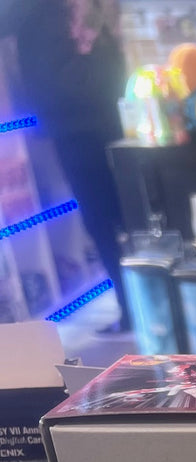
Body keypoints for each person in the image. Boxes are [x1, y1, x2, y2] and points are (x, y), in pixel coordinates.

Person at [0, 1, 126, 319]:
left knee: (102, 219)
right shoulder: (77, 13)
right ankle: (138, 304)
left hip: (77, 126)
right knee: (117, 215)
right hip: (102, 118)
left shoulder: (40, 12)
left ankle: (131, 307)